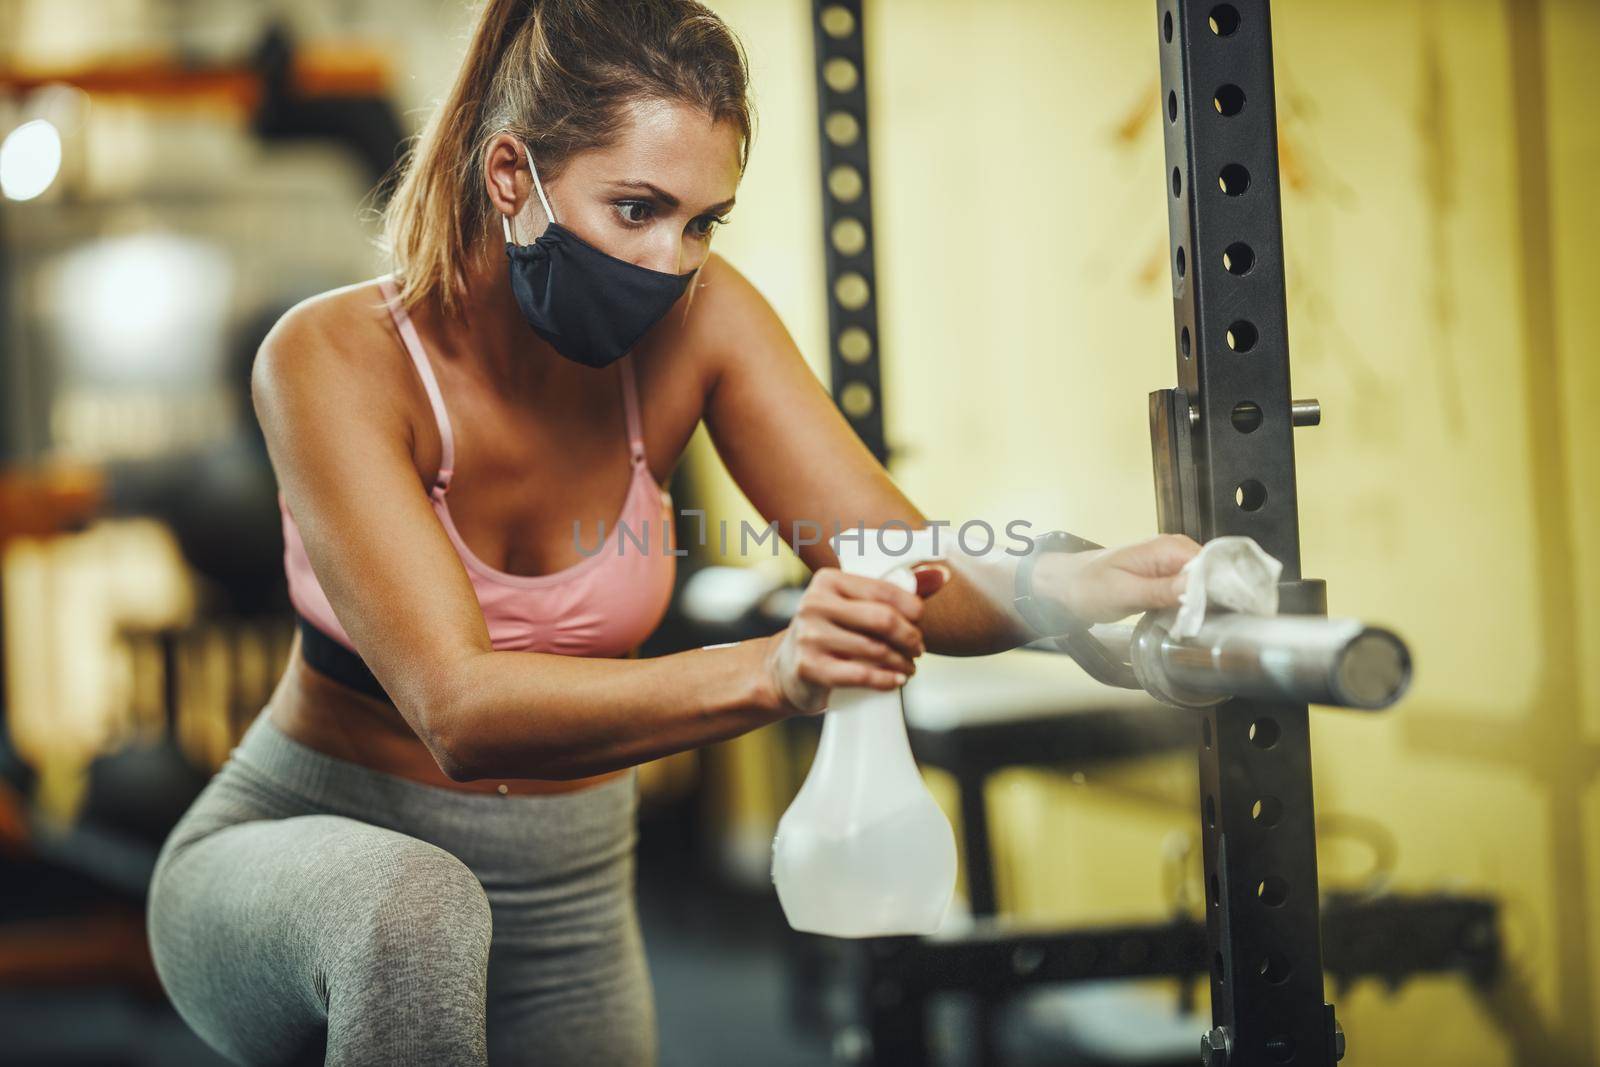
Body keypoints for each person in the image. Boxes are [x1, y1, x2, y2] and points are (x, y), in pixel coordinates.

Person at [146, 1, 1201, 1064]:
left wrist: (1077, 580)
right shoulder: (330, 357)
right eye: (637, 208)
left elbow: (899, 554)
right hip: (309, 867)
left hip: (570, 909)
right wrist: (777, 666)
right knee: (418, 908)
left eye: (702, 222)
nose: (668, 259)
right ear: (512, 177)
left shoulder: (705, 318)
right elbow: (459, 710)